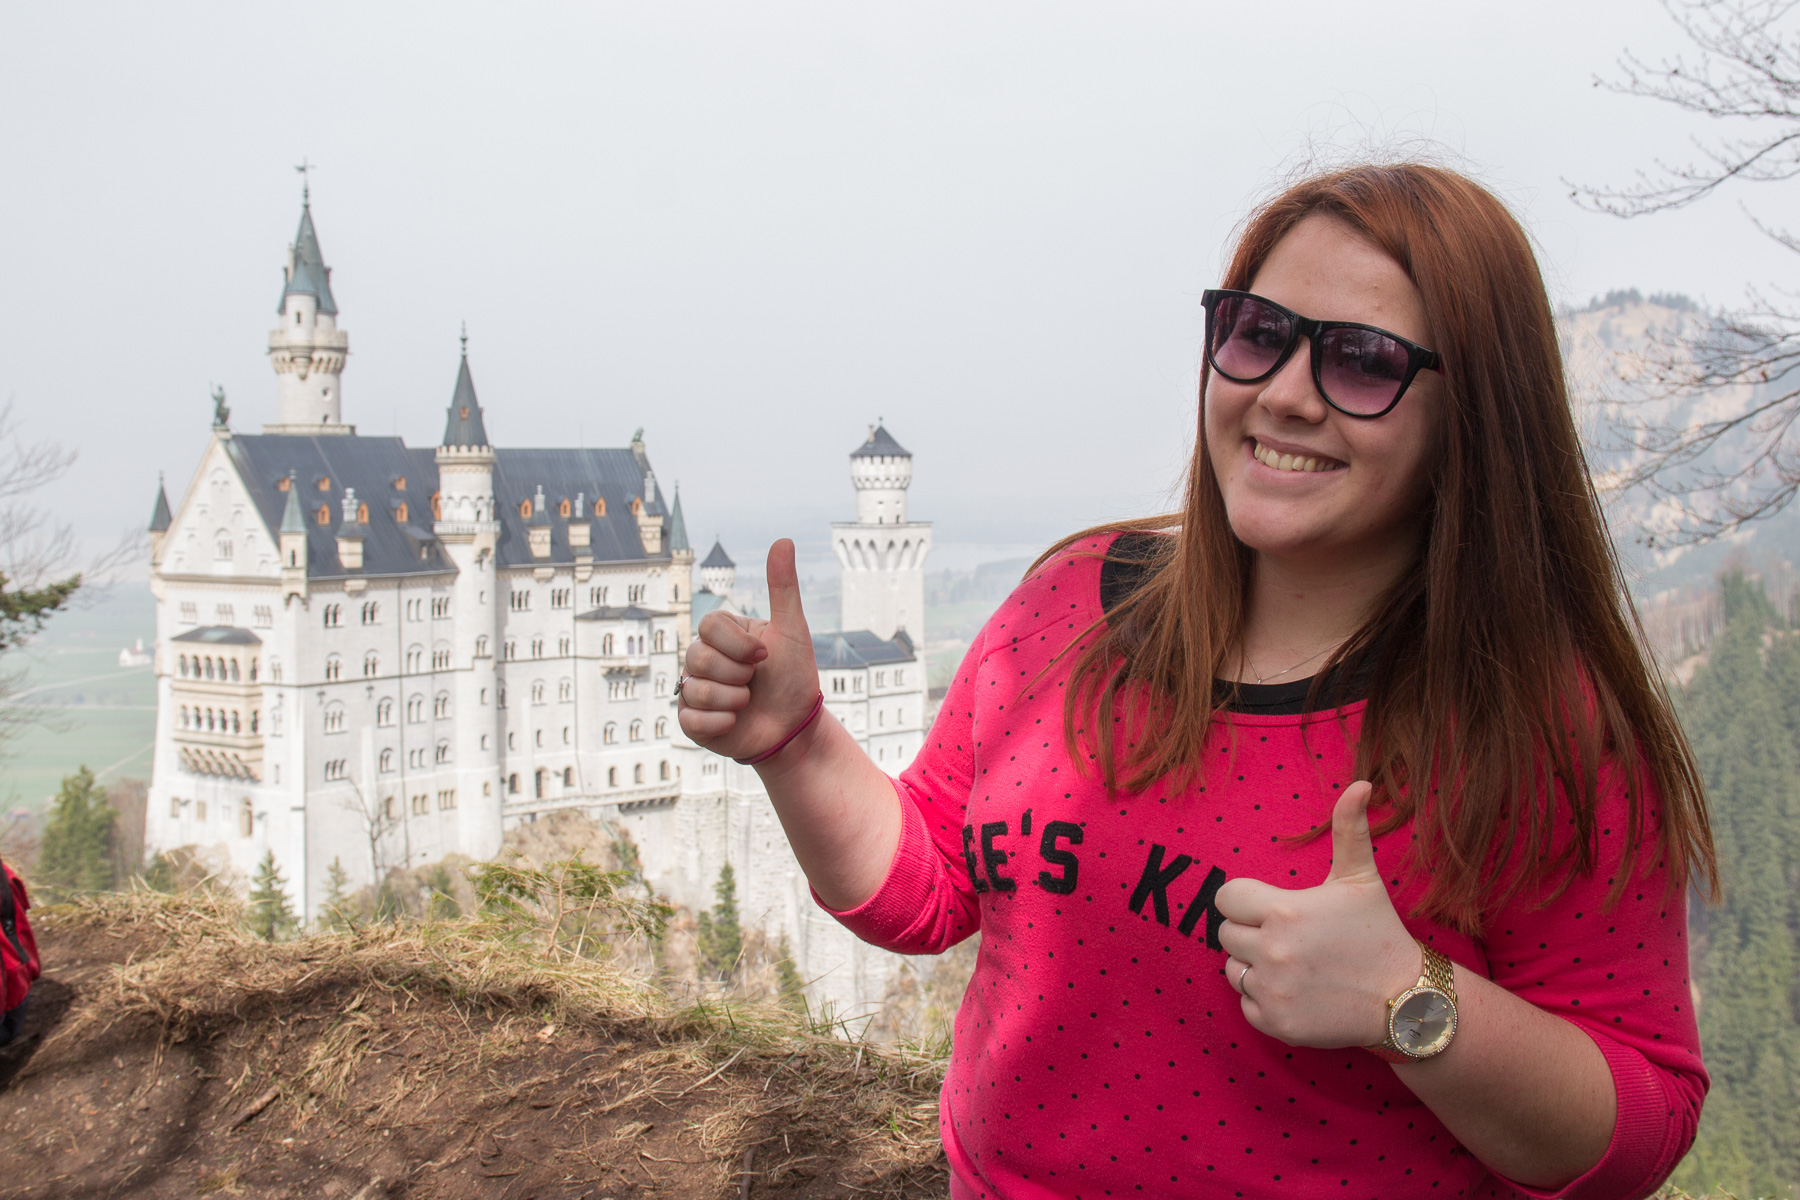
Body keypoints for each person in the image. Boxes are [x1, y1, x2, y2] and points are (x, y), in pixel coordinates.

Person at [677, 163, 1714, 1199]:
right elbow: (933, 885)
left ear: (1472, 416)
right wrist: (799, 746)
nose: (1285, 394)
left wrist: (1409, 997)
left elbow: (1640, 1131)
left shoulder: (1540, 725)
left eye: (1363, 362)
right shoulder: (1068, 610)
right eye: (1259, 333)